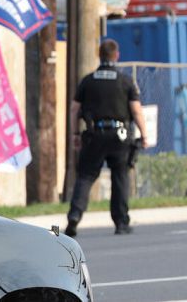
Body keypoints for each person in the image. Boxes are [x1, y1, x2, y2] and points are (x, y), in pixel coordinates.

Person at [65, 39, 148, 237]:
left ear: (99, 55)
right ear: (116, 55)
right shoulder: (125, 81)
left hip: (94, 135)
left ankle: (75, 216)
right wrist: (144, 134)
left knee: (85, 177)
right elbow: (136, 110)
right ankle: (121, 222)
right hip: (119, 137)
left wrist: (75, 134)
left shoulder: (88, 80)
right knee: (120, 177)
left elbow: (75, 109)